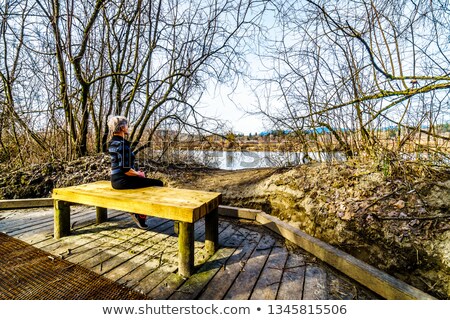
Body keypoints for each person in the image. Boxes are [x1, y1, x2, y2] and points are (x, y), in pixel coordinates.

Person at [107, 115, 163, 229]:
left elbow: (120, 165)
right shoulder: (122, 145)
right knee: (158, 183)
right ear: (122, 128)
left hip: (115, 180)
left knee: (144, 182)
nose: (128, 127)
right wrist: (139, 174)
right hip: (124, 180)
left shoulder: (112, 143)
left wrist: (136, 172)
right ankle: (139, 214)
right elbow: (126, 170)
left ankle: (138, 210)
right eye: (126, 125)